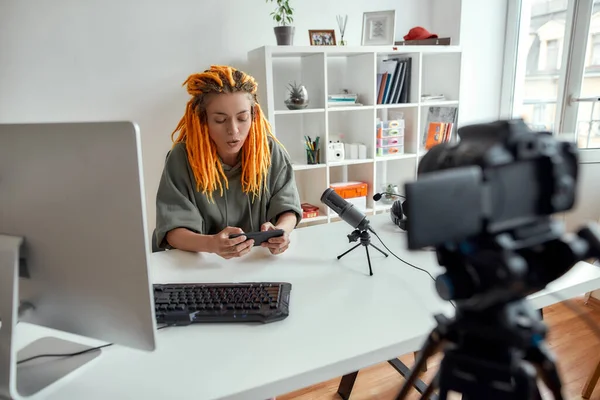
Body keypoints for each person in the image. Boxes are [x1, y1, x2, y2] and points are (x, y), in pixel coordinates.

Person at [153, 65, 302, 259]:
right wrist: (211, 244)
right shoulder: (182, 158)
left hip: (255, 262)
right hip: (200, 265)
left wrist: (282, 231)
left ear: (254, 115)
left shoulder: (269, 151)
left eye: (242, 118)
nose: (233, 130)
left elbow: (288, 208)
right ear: (203, 120)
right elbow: (172, 231)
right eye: (220, 120)